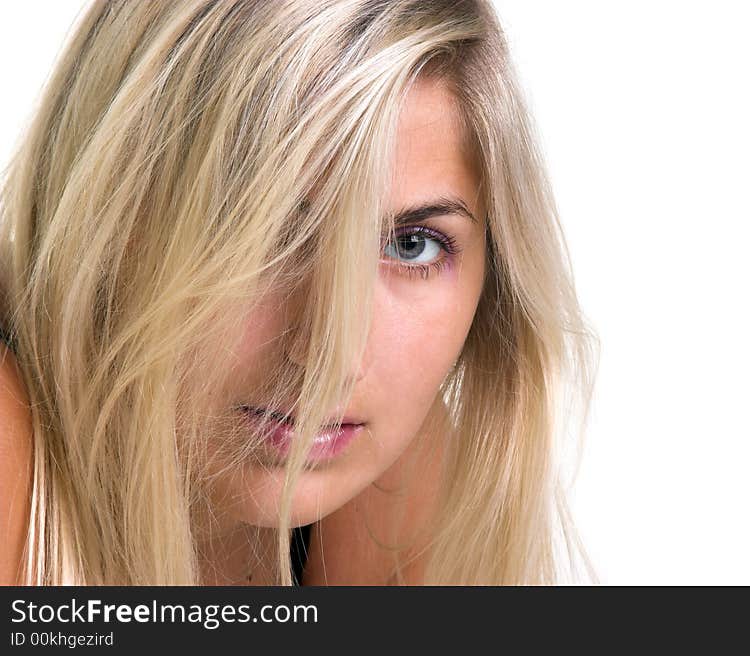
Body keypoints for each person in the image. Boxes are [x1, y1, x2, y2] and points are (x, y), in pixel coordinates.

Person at [0, 0, 597, 586]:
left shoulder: (391, 473)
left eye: (413, 244)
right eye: (265, 232)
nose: (329, 360)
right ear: (109, 213)